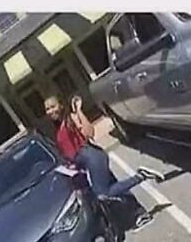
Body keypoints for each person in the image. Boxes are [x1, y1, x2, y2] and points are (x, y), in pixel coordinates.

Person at [44, 94, 163, 229]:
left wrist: (79, 111)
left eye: (53, 106)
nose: (50, 111)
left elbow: (89, 133)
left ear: (61, 105)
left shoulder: (71, 118)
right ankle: (140, 214)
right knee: (114, 185)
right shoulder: (59, 129)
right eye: (47, 109)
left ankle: (141, 176)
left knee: (103, 193)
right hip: (88, 162)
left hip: (92, 157)